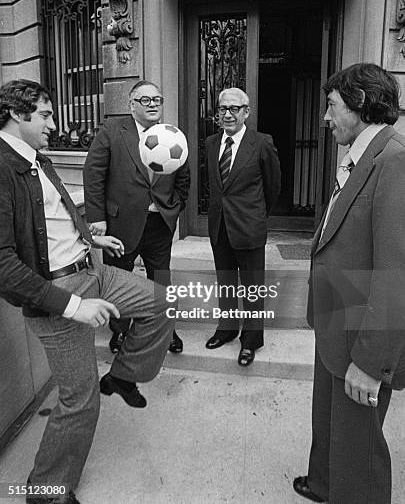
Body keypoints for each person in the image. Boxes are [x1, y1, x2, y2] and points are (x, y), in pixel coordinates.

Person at [0, 79, 173, 504]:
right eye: (45, 114)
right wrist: (74, 306)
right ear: (17, 114)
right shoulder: (2, 168)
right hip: (57, 292)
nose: (53, 124)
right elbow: (4, 265)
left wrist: (91, 237)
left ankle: (122, 375)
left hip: (92, 270)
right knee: (80, 401)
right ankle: (45, 492)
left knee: (161, 302)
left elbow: (53, 216)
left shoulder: (35, 158)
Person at [293, 63, 405, 504]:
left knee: (359, 448)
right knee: (328, 419)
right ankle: (323, 483)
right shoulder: (362, 151)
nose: (325, 117)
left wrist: (371, 362)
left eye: (332, 106)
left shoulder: (395, 160)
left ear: (359, 104)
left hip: (361, 336)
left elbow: (396, 273)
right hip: (335, 318)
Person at [83, 80, 190, 354]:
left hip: (160, 223)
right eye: (146, 100)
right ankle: (120, 332)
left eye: (157, 99)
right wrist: (97, 218)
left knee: (161, 280)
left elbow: (184, 178)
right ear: (132, 105)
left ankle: (166, 331)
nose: (153, 104)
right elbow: (93, 174)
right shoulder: (112, 130)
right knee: (119, 279)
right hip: (121, 224)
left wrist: (174, 206)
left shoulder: (172, 135)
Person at [205, 87, 281, 366]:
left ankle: (251, 340)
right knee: (225, 283)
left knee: (251, 287)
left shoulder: (261, 143)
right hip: (219, 226)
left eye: (234, 109)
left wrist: (256, 215)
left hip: (248, 227)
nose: (227, 114)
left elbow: (273, 187)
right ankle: (226, 329)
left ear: (246, 112)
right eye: (223, 109)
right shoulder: (212, 142)